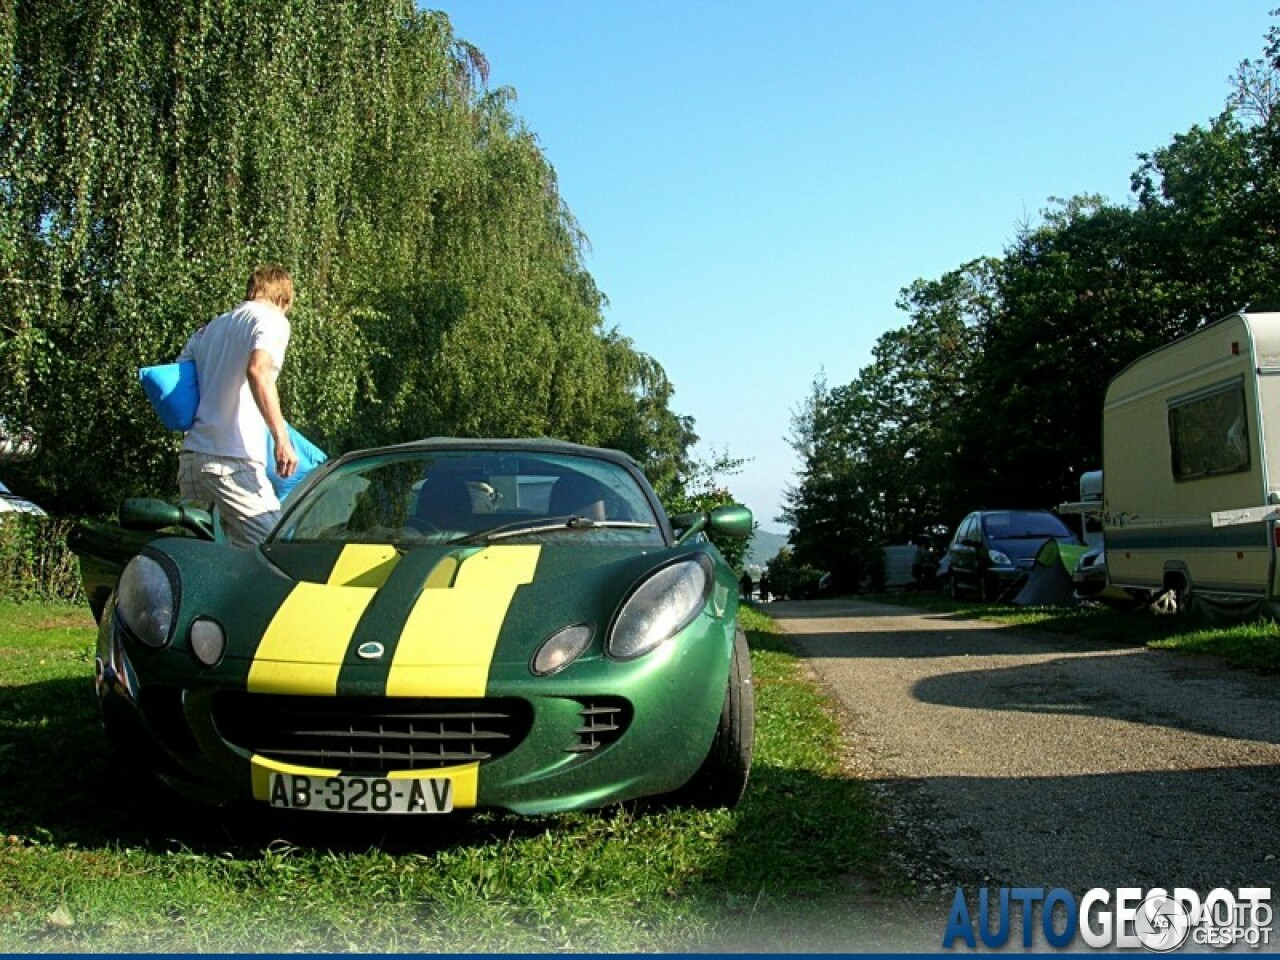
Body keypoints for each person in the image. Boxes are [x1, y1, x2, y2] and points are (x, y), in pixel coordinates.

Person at [176, 264, 299, 547]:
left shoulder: (209, 329)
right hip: (231, 459)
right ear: (285, 299)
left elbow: (181, 380)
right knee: (273, 550)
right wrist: (282, 439)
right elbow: (258, 370)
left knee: (207, 560)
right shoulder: (271, 320)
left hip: (194, 458)